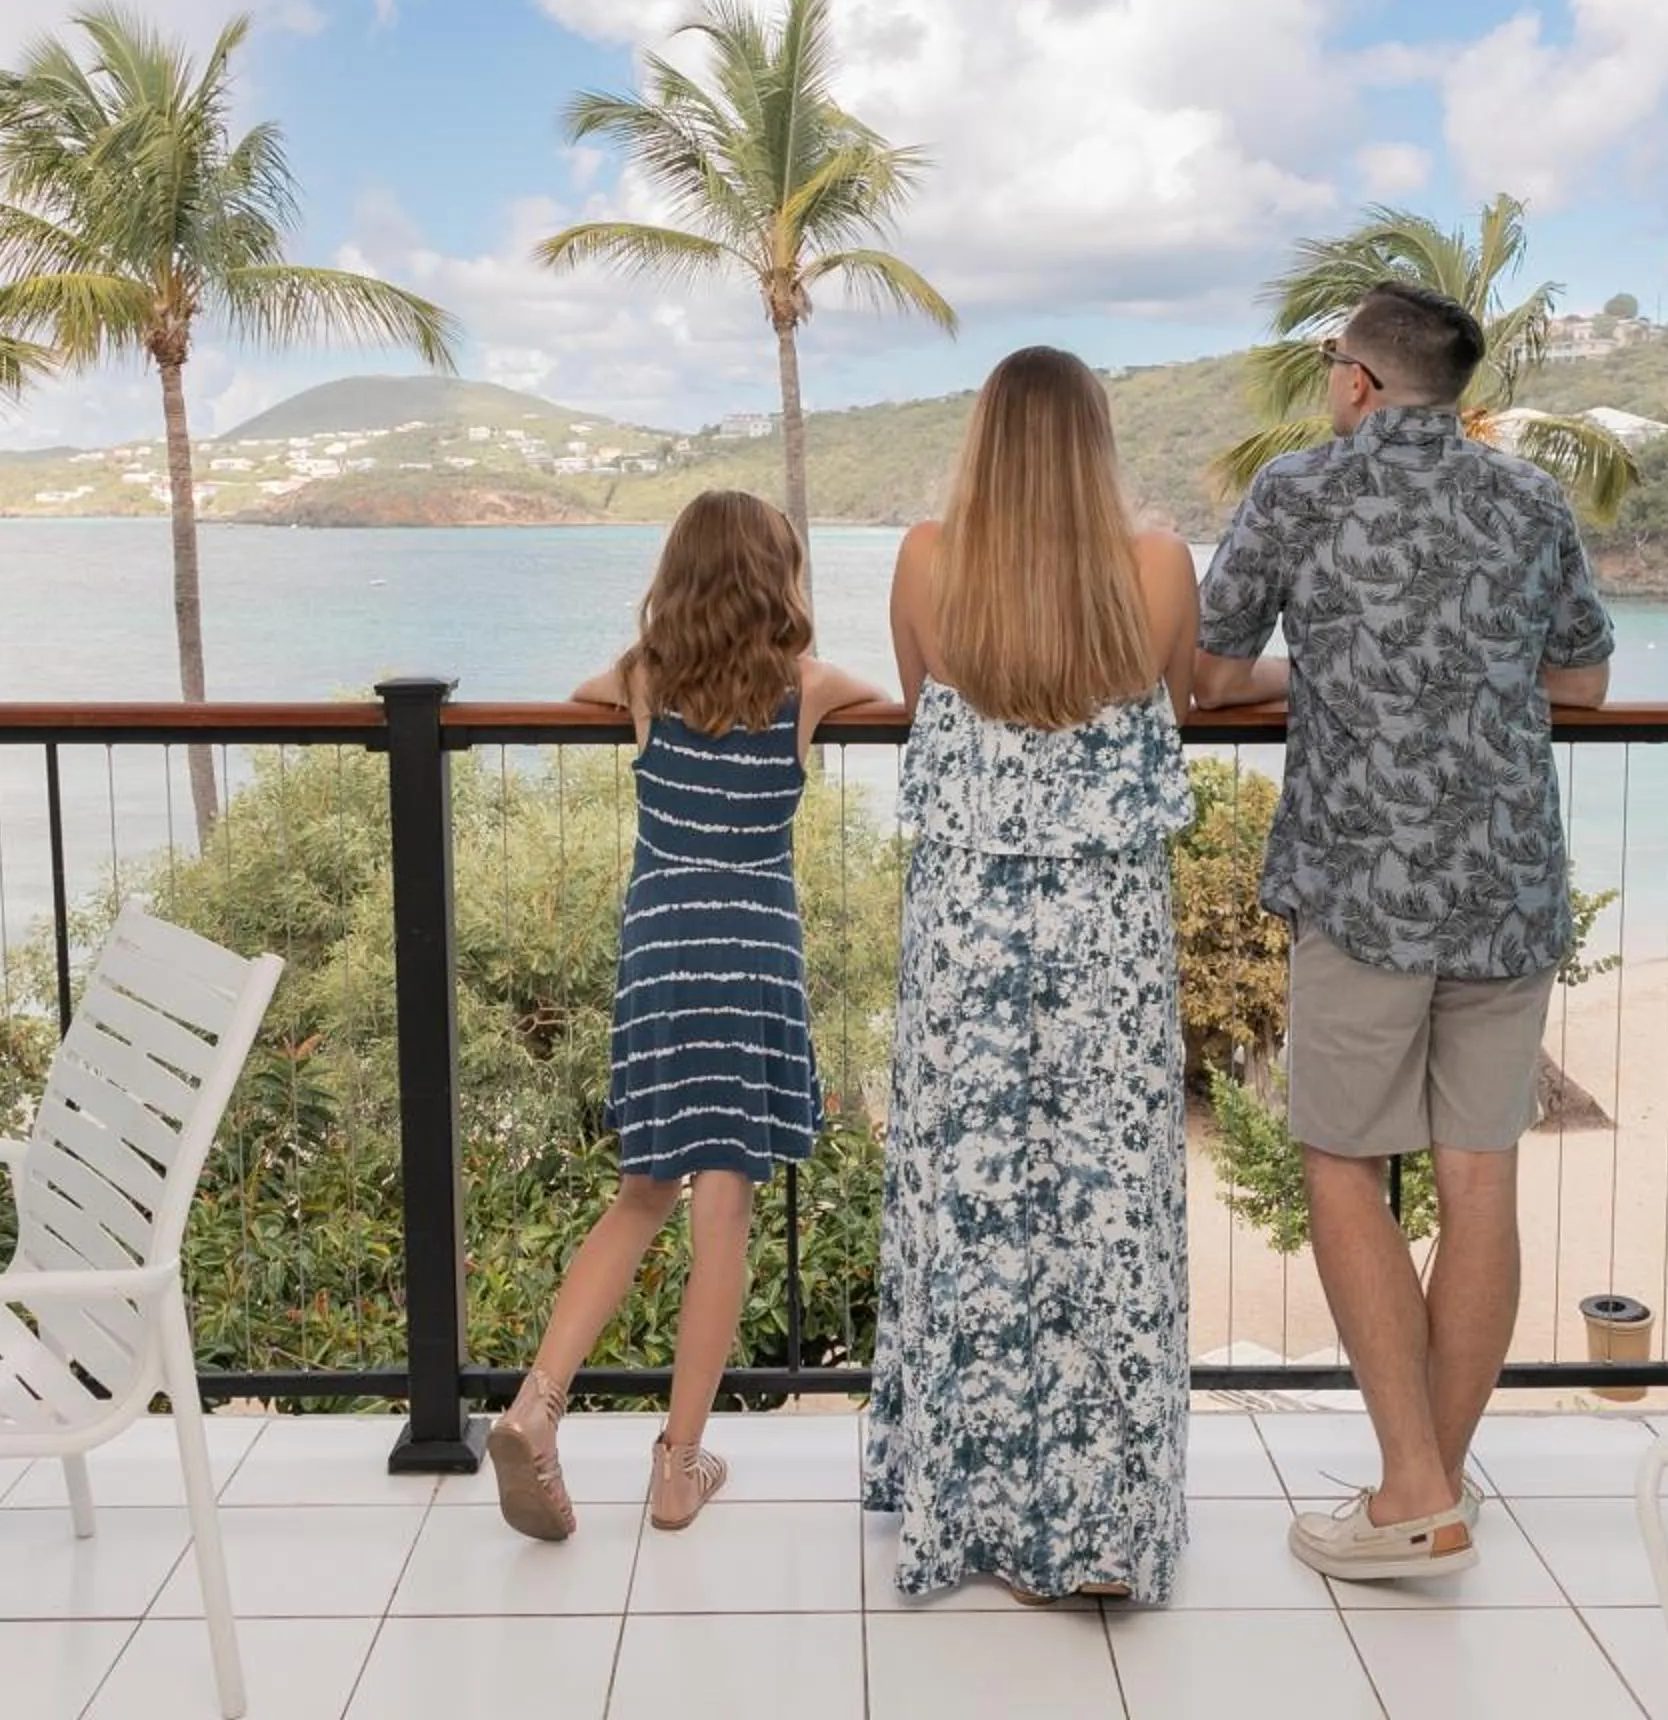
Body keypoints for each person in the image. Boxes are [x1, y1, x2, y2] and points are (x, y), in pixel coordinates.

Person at [1197, 279, 1613, 1582]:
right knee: (1482, 1178)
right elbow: (1584, 679)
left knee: (1342, 1164)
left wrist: (1316, 666)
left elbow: (1207, 673)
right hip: (1507, 880)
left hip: (1366, 884)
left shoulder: (1301, 492)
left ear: (1360, 382)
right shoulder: (1530, 495)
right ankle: (1425, 1486)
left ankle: (1416, 1492)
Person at [863, 346, 1202, 1605]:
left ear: (986, 440)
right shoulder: (1158, 568)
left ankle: (973, 1508)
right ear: (1098, 444)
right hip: (1108, 942)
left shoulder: (925, 562)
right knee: (1110, 1215)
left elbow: (918, 702)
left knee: (974, 1206)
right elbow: (1185, 692)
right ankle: (1111, 1526)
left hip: (968, 939)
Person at [487, 491, 881, 1541]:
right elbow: (887, 698)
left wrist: (649, 660)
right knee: (724, 1219)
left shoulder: (643, 680)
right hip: (751, 958)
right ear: (779, 578)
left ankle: (536, 1403)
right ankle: (677, 1464)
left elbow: (582, 685)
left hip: (660, 948)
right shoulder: (808, 687)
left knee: (639, 1193)